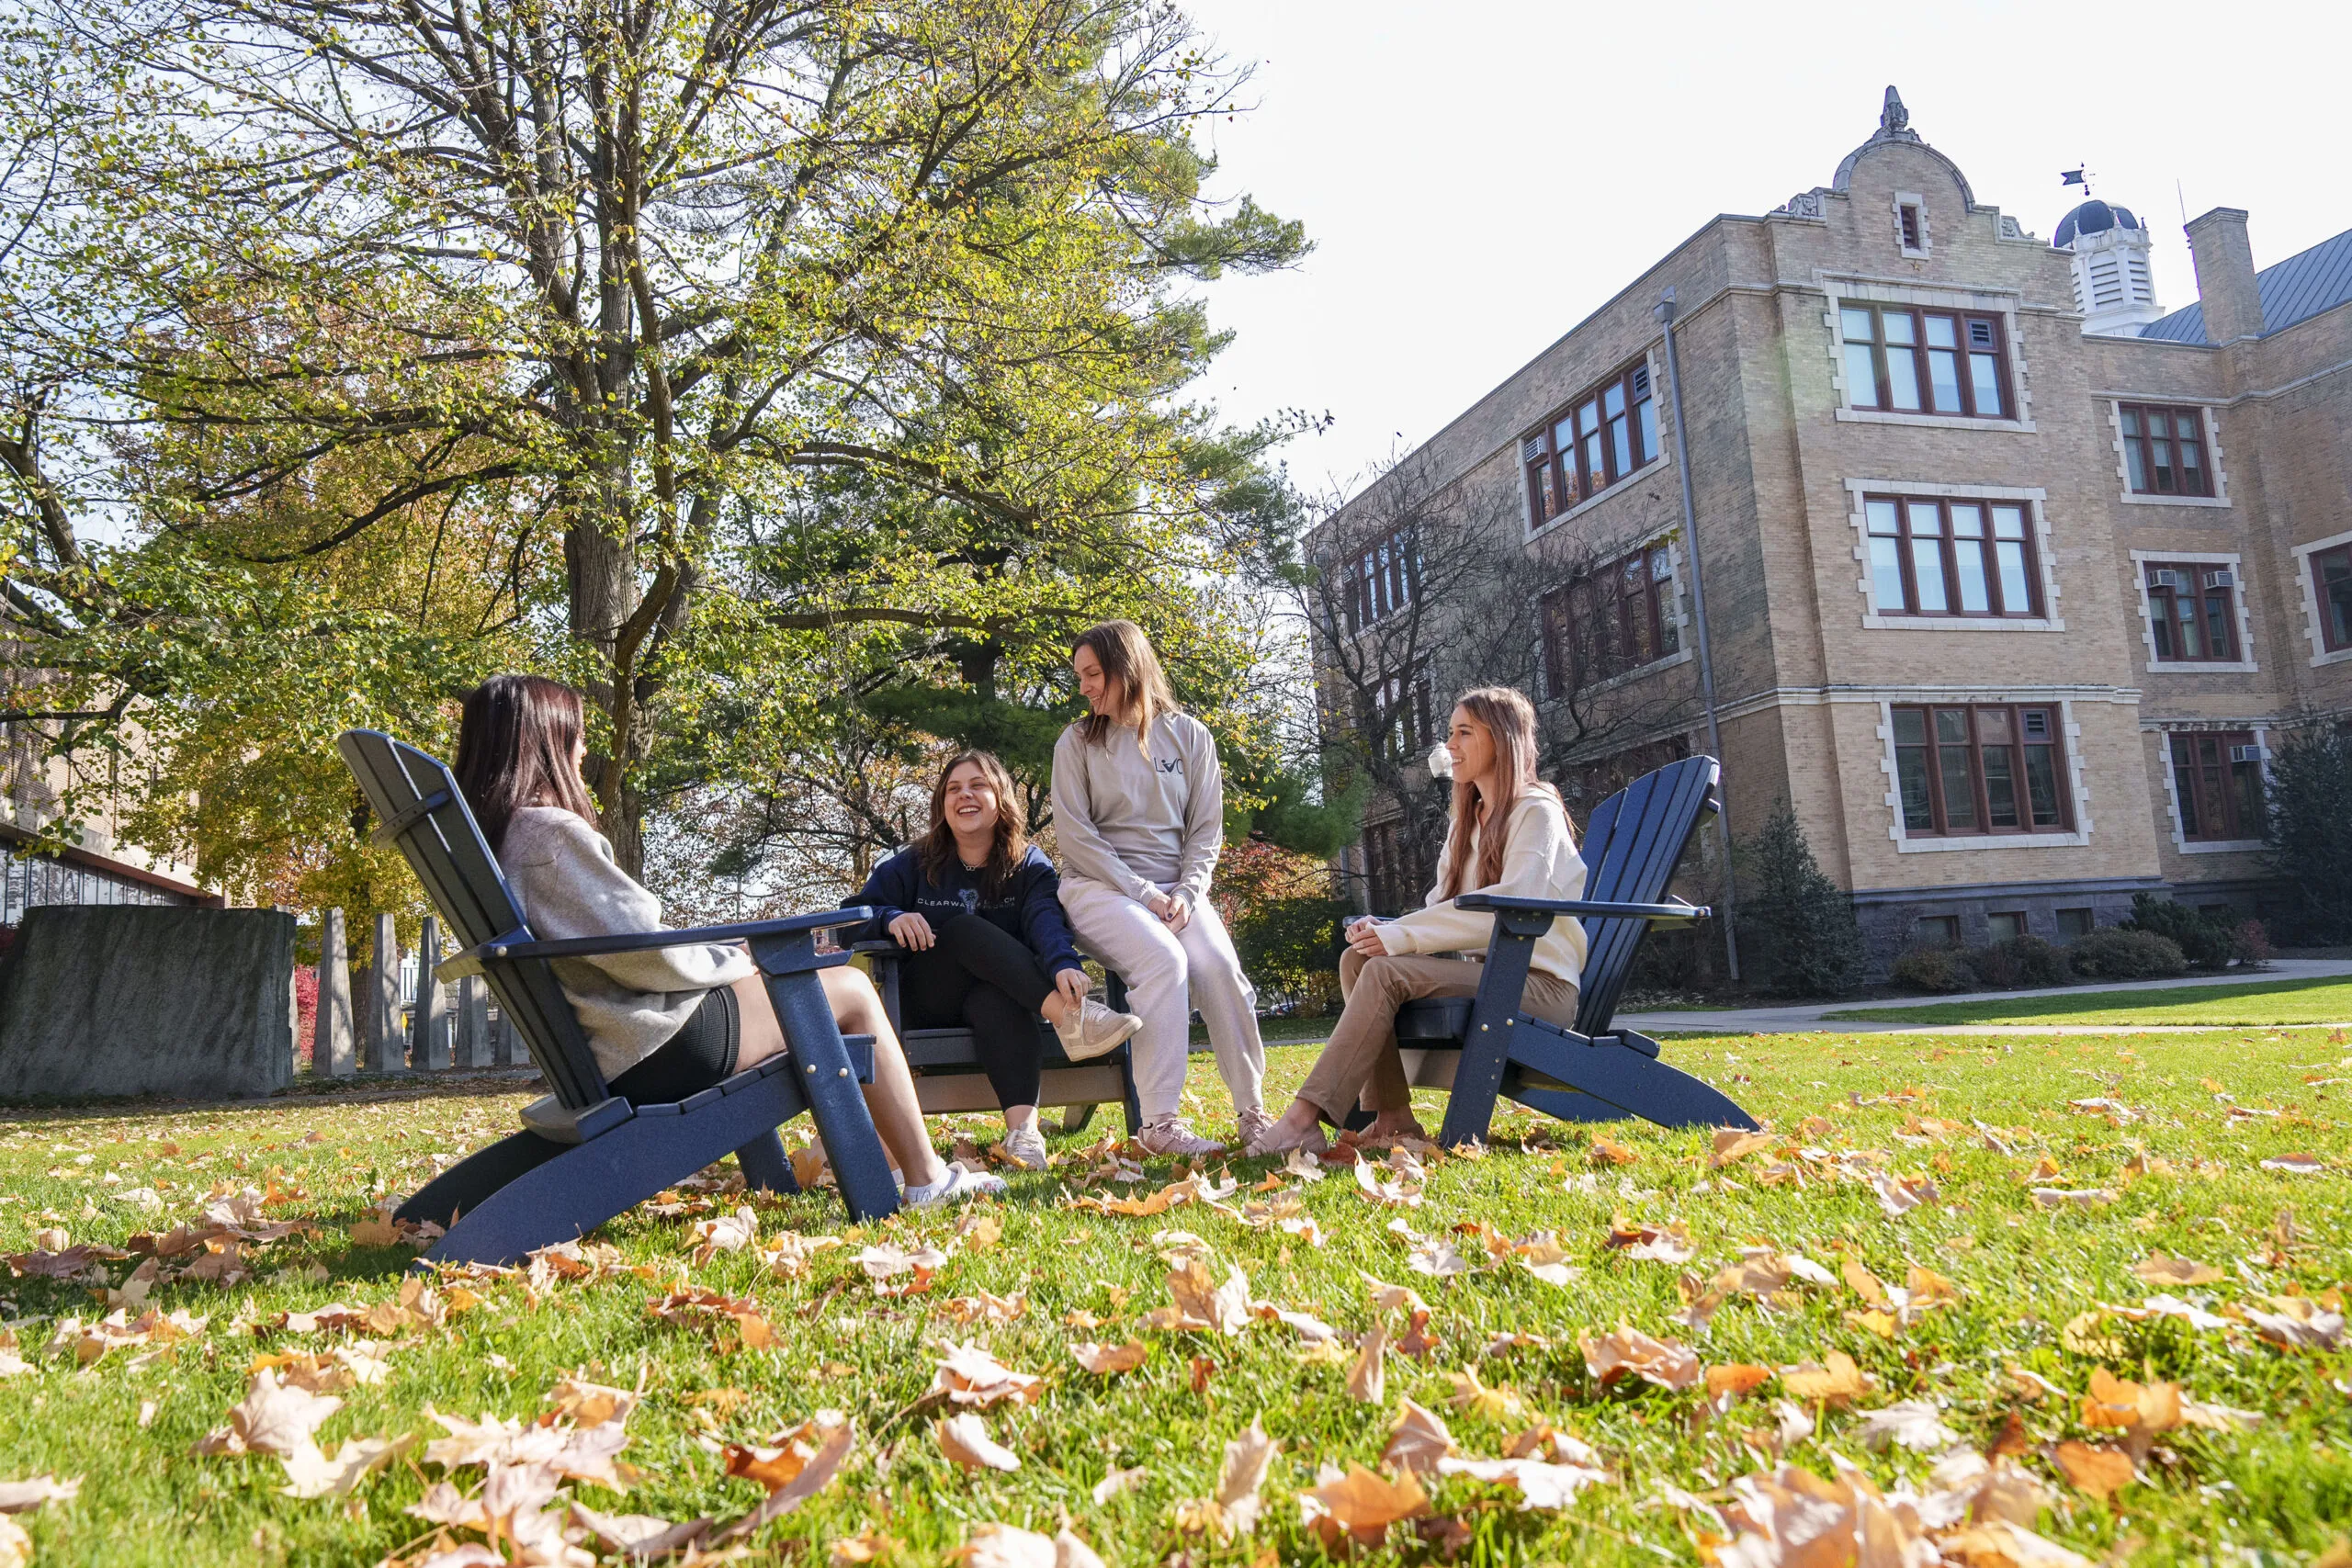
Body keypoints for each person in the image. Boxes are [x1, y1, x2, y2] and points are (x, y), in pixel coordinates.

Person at [452, 674, 1002, 1206]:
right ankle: (927, 1179)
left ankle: (896, 1164)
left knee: (816, 987)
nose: (582, 751)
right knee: (854, 992)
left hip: (610, 1046)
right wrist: (735, 959)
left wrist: (728, 958)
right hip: (660, 1045)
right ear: (543, 740)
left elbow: (619, 944)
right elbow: (643, 950)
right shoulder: (552, 834)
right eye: (575, 735)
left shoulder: (499, 842)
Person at [1243, 687, 1588, 1156]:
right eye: (1450, 733)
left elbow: (1514, 901)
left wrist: (1401, 935)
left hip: (1539, 987)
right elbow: (1440, 905)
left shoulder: (1536, 811)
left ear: (1502, 740)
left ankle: (1303, 1118)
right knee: (1357, 960)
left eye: (1464, 733)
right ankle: (1392, 1118)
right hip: (1493, 978)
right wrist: (1383, 929)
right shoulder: (1468, 819)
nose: (1450, 745)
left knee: (1384, 969)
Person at [847, 750, 1143, 1170]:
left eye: (977, 785)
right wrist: (891, 917)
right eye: (953, 789)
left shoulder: (1028, 864)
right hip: (925, 1001)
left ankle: (1023, 1134)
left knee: (993, 995)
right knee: (961, 928)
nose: (964, 795)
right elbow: (851, 917)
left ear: (1000, 797)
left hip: (1000, 1002)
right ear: (942, 804)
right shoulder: (914, 862)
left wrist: (1062, 962)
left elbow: (1045, 920)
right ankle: (1070, 1019)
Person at [1050, 620, 1269, 1157]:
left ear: (1128, 668)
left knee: (1220, 970)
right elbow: (1077, 839)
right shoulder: (1076, 743)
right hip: (1100, 889)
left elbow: (1205, 830)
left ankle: (1254, 1115)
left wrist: (1190, 893)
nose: (1084, 687)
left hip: (1179, 895)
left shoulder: (1191, 736)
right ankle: (1159, 1127)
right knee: (1164, 961)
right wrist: (1144, 892)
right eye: (1079, 676)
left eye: (1093, 673)